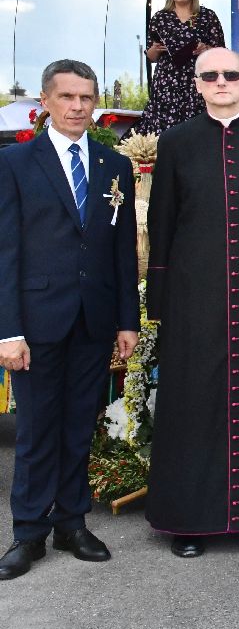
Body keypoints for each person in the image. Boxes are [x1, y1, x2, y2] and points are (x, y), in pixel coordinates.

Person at [144, 47, 239, 558]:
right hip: (193, 297)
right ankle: (187, 521)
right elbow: (162, 223)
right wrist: (160, 304)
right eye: (210, 75)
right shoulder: (176, 141)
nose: (220, 81)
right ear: (197, 83)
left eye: (230, 74)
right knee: (191, 405)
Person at [0, 60, 138, 579]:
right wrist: (8, 331)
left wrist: (127, 320)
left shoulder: (113, 165)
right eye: (67, 97)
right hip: (35, 323)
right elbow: (5, 252)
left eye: (86, 97)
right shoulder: (15, 162)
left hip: (93, 321)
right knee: (37, 432)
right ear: (46, 101)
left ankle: (72, 523)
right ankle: (28, 532)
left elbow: (122, 250)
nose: (77, 107)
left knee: (80, 427)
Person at [133, 0, 225, 136]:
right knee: (165, 130)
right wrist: (154, 49)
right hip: (166, 82)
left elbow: (221, 53)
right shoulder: (160, 18)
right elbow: (151, 57)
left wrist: (205, 49)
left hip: (196, 81)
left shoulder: (207, 16)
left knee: (196, 130)